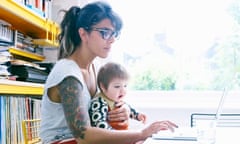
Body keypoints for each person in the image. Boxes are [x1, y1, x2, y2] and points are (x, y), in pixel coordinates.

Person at [40, 1, 178, 144]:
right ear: (83, 34)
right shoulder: (68, 73)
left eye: (114, 33)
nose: (112, 40)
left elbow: (103, 102)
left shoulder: (94, 66)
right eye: (104, 33)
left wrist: (122, 109)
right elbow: (83, 135)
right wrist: (141, 133)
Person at [89, 62, 147, 130]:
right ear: (103, 87)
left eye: (125, 86)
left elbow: (129, 110)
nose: (123, 91)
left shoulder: (115, 98)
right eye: (117, 86)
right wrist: (115, 134)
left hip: (121, 135)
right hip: (110, 137)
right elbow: (99, 125)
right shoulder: (99, 102)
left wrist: (138, 115)